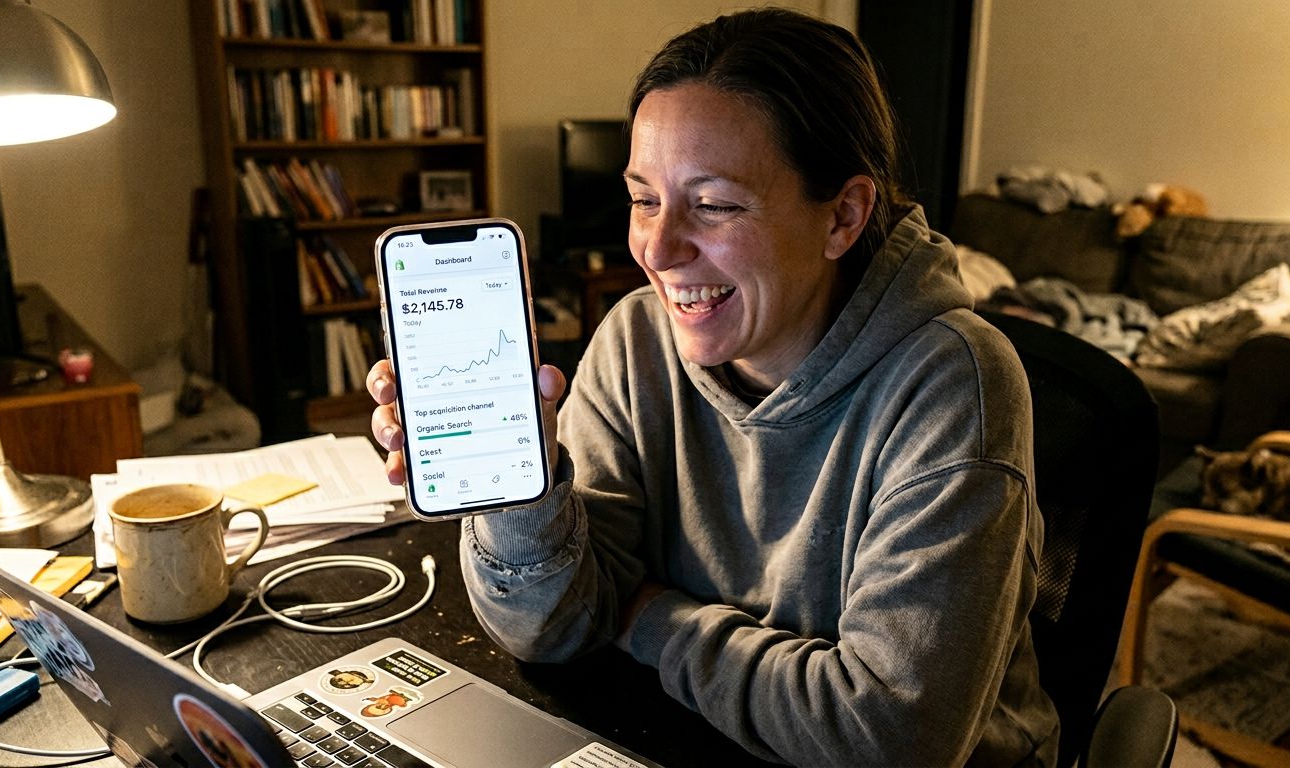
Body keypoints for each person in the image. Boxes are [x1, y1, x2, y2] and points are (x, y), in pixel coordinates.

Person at [368, 8, 1059, 766]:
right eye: (643, 198)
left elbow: (890, 739)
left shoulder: (953, 384)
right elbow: (552, 629)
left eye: (716, 204)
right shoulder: (637, 339)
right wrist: (522, 488)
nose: (658, 250)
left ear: (844, 217)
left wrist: (646, 616)